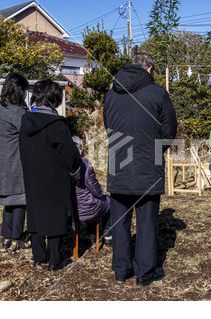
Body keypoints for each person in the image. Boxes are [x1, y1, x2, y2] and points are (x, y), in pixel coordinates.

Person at [103, 53, 177, 287]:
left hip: (119, 161)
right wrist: (156, 150)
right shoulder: (157, 93)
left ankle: (121, 271)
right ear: (149, 69)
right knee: (146, 222)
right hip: (147, 162)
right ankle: (145, 273)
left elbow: (108, 126)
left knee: (120, 220)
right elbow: (169, 130)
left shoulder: (111, 94)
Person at [19, 79, 81, 272]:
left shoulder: (25, 121)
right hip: (55, 176)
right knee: (54, 216)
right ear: (55, 99)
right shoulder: (57, 124)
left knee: (35, 212)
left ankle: (38, 257)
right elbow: (70, 153)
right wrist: (75, 171)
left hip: (32, 174)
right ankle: (55, 260)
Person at [0, 73, 30, 249]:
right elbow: (29, 130)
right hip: (16, 161)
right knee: (21, 200)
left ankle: (6, 236)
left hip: (1, 160)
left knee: (8, 201)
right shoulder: (17, 112)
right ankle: (17, 236)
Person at [72, 136, 112, 246]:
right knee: (109, 202)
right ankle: (108, 235)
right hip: (87, 209)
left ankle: (92, 234)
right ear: (81, 149)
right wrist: (102, 190)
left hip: (71, 210)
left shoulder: (62, 166)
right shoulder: (85, 165)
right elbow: (97, 192)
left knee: (93, 201)